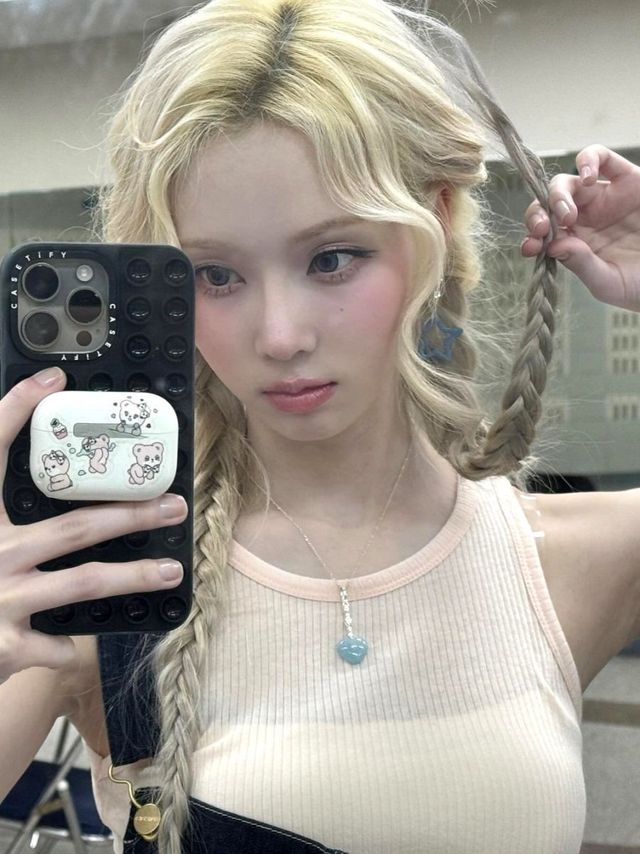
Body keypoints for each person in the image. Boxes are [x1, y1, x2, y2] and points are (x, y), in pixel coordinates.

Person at [1, 1, 639, 852]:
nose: (280, 336)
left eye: (332, 258)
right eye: (216, 275)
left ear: (436, 222)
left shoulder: (578, 557)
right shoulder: (112, 582)